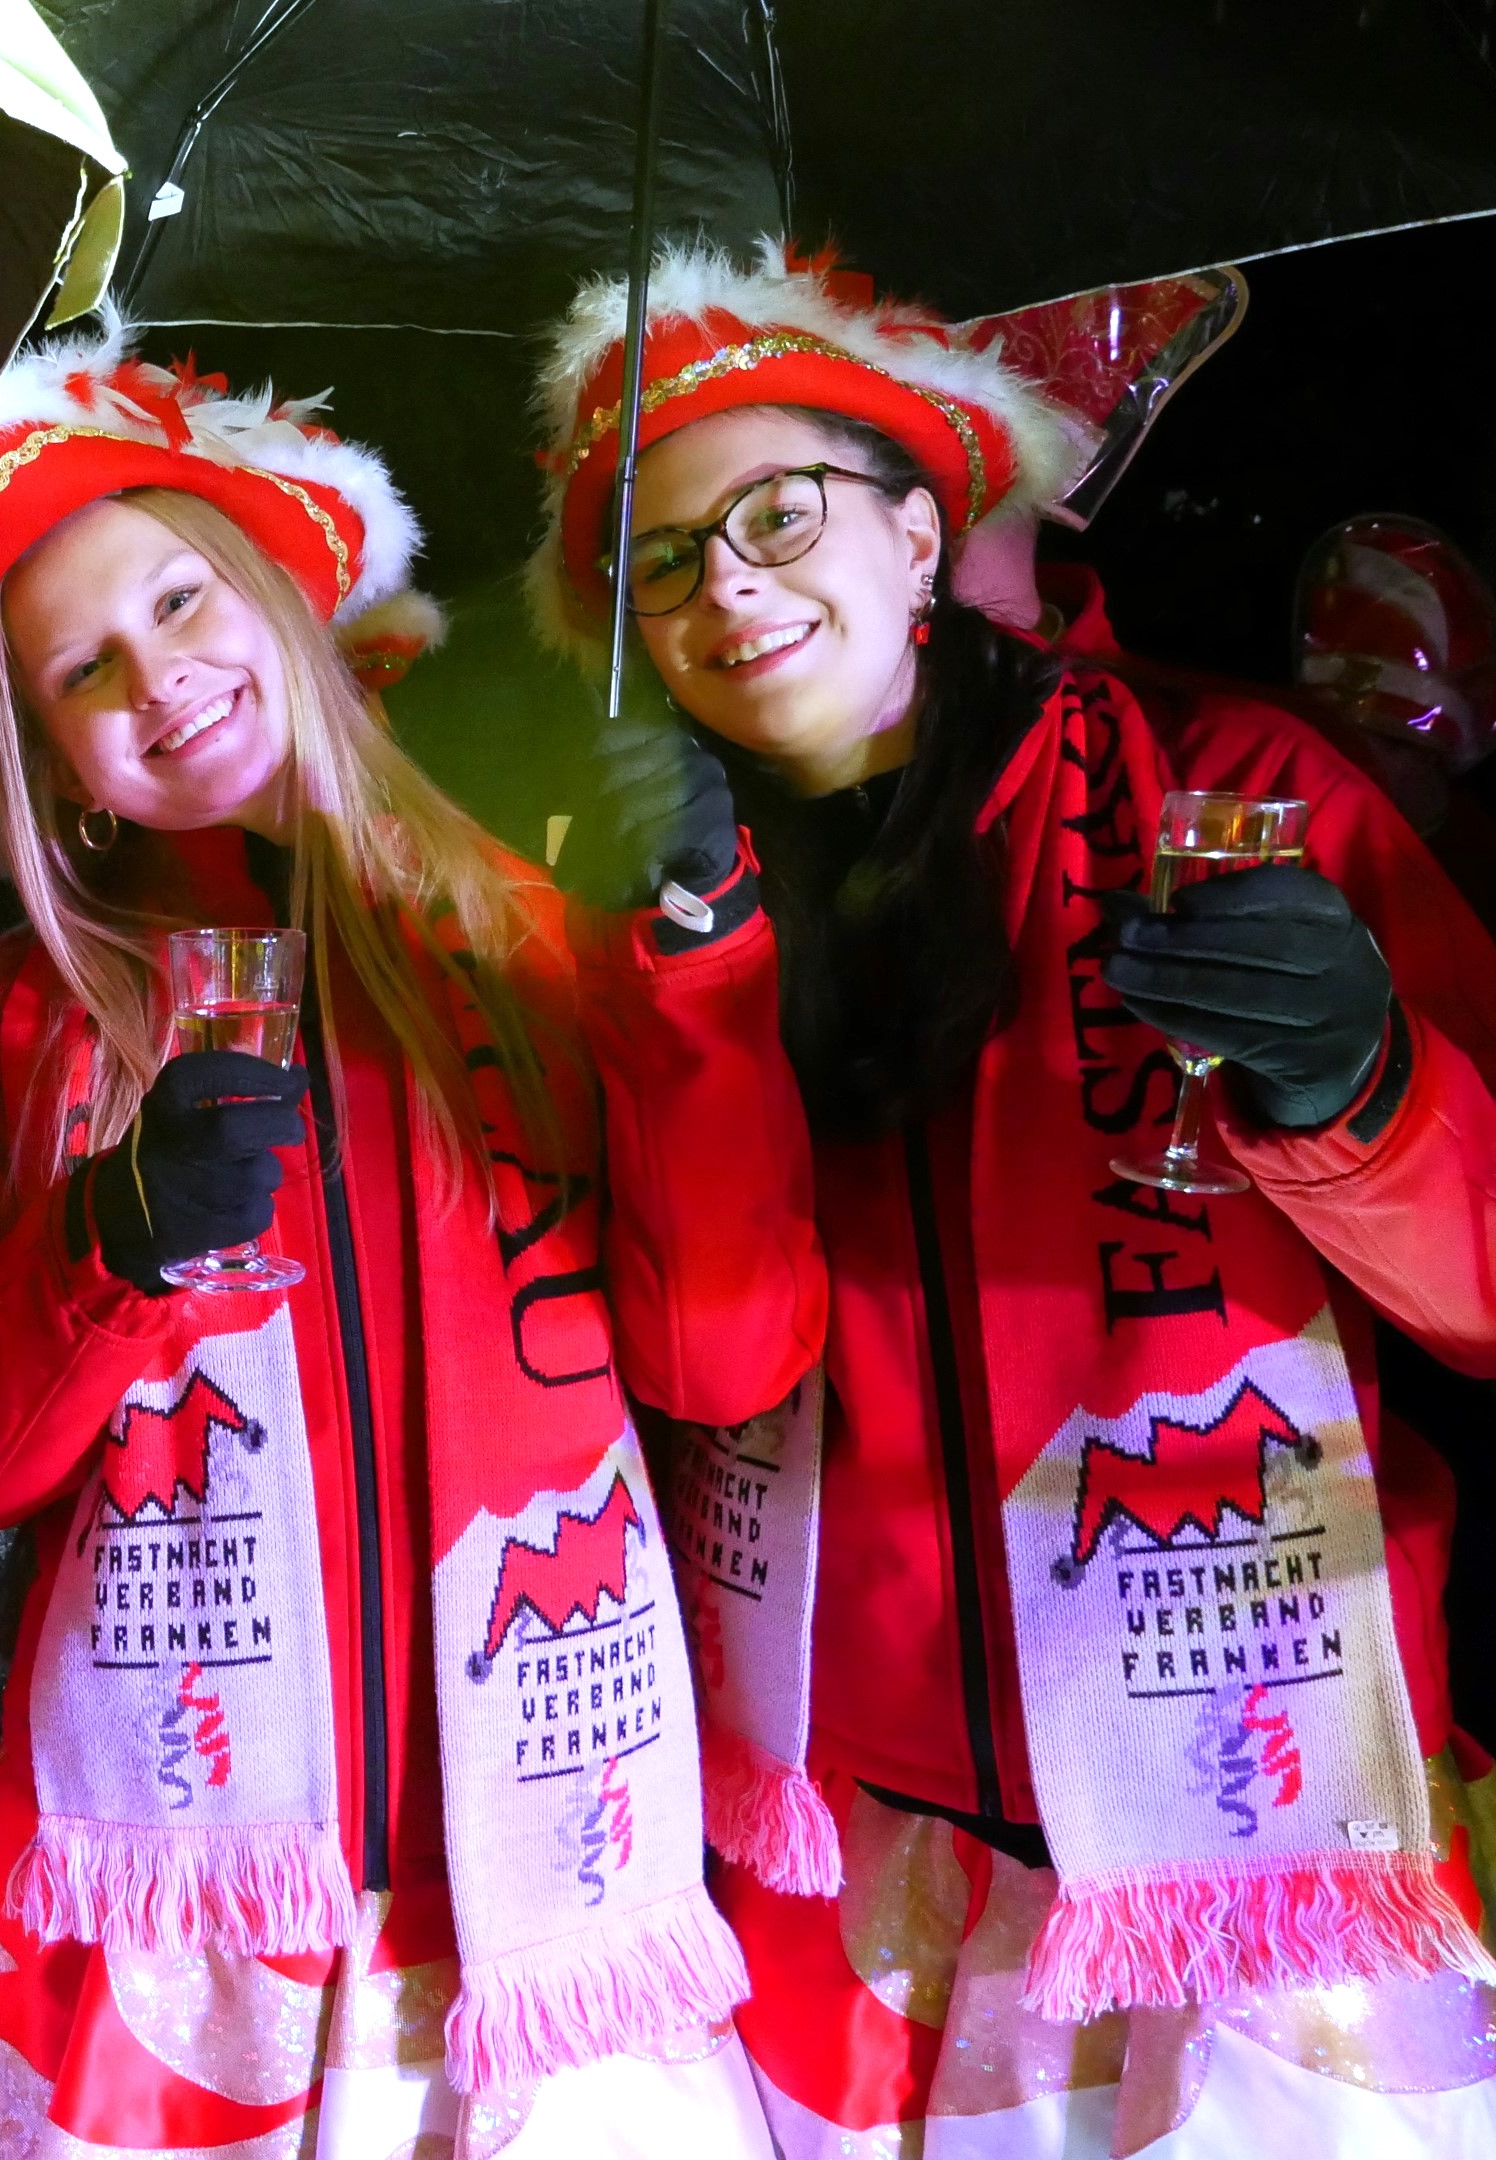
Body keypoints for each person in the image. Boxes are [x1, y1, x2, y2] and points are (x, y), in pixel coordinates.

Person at [533, 237, 1496, 2154]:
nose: (724, 580)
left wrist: (1360, 1089)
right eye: (659, 559)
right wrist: (691, 986)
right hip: (852, 1861)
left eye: (779, 512)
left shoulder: (1235, 788)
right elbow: (716, 1367)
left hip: (1279, 1841)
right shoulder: (636, 912)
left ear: (918, 531)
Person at [0, 324, 826, 2156]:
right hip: (184, 1923)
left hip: (541, 1896)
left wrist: (695, 971)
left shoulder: (527, 928)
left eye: (181, 599)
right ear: (51, 760)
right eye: (86, 666)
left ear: (278, 605)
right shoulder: (20, 1018)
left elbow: (724, 1360)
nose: (161, 678)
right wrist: (110, 1249)